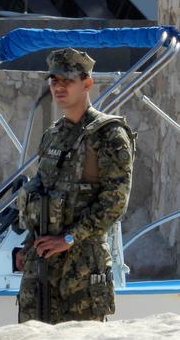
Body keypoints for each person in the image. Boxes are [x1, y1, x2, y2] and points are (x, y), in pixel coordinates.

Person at [16, 48, 136, 324]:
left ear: (87, 83)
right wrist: (29, 245)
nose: (58, 87)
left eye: (67, 80)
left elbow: (115, 203)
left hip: (82, 268)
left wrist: (68, 239)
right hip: (42, 265)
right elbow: (43, 193)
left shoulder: (109, 134)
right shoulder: (52, 136)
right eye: (54, 80)